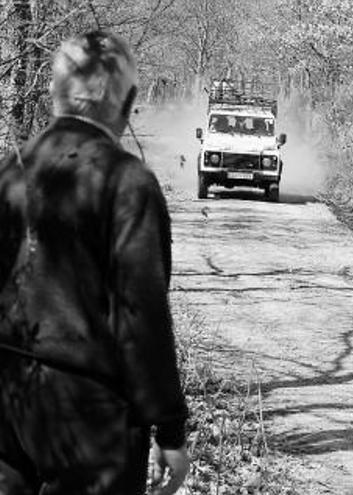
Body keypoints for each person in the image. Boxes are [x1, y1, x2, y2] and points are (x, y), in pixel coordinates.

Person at [0, 31, 189, 494]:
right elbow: (140, 315)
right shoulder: (127, 182)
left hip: (8, 399)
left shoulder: (10, 170)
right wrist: (168, 428)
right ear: (129, 102)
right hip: (92, 414)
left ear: (53, 94)